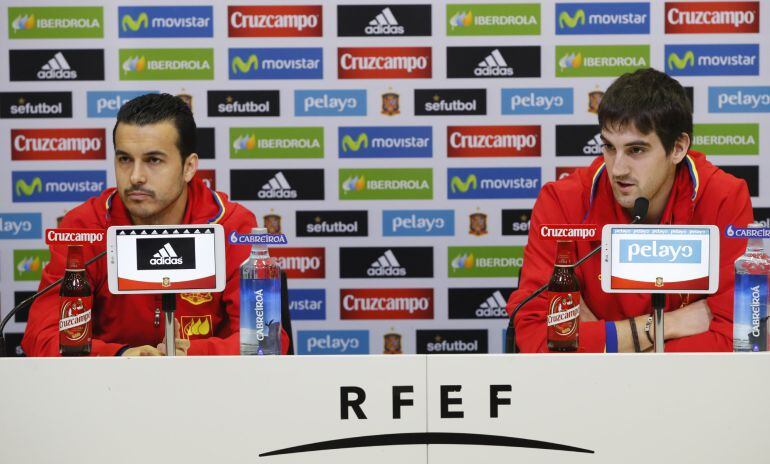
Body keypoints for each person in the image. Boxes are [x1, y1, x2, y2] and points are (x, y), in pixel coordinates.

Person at [22, 93, 290, 356]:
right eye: (125, 159)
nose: (136, 176)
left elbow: (265, 339)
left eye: (153, 160)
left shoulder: (231, 226)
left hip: (204, 389)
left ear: (189, 167)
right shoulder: (84, 227)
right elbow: (42, 336)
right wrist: (121, 357)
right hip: (109, 391)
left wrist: (188, 356)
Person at [507, 68, 753, 352]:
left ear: (678, 148)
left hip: (688, 392)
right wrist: (666, 325)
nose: (618, 169)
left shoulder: (724, 197)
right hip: (589, 392)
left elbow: (739, 339)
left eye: (636, 150)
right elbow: (538, 338)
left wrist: (600, 338)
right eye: (609, 148)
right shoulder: (562, 202)